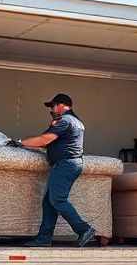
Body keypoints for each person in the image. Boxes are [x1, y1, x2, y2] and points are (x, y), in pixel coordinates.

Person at [9, 93, 96, 248]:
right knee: (49, 202)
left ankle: (84, 229)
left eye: (52, 106)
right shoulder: (76, 121)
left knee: (58, 200)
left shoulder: (65, 121)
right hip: (70, 164)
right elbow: (47, 142)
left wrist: (20, 143)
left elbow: (45, 139)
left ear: (61, 105)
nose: (51, 109)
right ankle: (44, 238)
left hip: (65, 164)